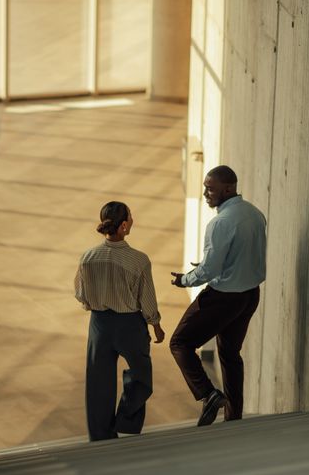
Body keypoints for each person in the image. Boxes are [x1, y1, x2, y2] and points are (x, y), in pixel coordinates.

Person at [169, 165, 266, 426]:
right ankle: (234, 417)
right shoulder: (255, 214)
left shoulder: (220, 223)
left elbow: (211, 269)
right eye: (205, 187)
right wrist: (206, 267)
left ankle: (208, 394)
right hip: (249, 295)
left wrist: (185, 280)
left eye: (210, 188)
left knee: (180, 343)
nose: (205, 193)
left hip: (223, 297)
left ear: (228, 188)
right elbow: (240, 256)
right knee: (230, 354)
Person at [74, 201, 165, 441]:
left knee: (98, 382)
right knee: (141, 375)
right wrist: (155, 324)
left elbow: (81, 296)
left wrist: (96, 307)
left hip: (99, 325)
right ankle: (126, 420)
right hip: (130, 326)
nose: (133, 220)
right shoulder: (139, 260)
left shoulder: (87, 258)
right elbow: (147, 298)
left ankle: (100, 435)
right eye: (131, 217)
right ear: (123, 226)